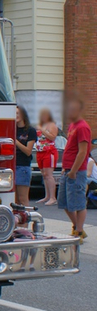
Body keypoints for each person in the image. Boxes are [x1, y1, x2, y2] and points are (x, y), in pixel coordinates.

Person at [58, 93, 92, 244]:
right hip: (68, 170)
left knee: (78, 203)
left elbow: (83, 151)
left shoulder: (83, 127)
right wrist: (66, 168)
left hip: (77, 172)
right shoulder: (72, 125)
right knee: (65, 203)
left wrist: (73, 171)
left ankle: (78, 231)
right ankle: (77, 227)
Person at [35, 108, 59, 205]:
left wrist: (42, 130)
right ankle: (47, 196)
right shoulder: (41, 125)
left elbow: (52, 137)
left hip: (49, 152)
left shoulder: (52, 125)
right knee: (44, 174)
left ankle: (53, 197)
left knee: (49, 174)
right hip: (40, 151)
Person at [15, 105, 37, 206]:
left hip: (22, 166)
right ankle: (15, 220)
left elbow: (28, 151)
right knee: (14, 199)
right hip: (12, 165)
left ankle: (25, 221)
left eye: (18, 113)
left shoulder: (30, 131)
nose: (16, 116)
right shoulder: (12, 129)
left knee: (22, 199)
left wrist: (16, 142)